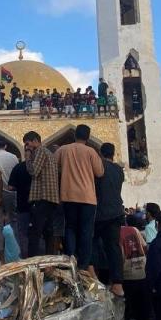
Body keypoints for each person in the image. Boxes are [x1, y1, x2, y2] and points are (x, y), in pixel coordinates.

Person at [56, 125, 104, 274]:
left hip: (68, 195)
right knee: (86, 230)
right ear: (88, 137)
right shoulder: (91, 151)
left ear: (74, 135)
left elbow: (54, 166)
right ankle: (84, 264)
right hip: (87, 197)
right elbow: (100, 172)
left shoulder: (63, 150)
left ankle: (70, 258)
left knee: (70, 228)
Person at [94, 142, 125, 297]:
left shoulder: (99, 167)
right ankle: (118, 284)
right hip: (116, 212)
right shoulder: (119, 170)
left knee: (91, 243)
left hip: (100, 212)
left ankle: (93, 278)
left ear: (100, 153)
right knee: (113, 248)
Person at [24, 131, 59, 258]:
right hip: (51, 198)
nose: (27, 148)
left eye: (27, 144)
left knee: (35, 232)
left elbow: (33, 171)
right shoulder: (49, 153)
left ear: (34, 141)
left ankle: (33, 261)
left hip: (42, 197)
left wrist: (27, 158)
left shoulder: (40, 151)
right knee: (48, 232)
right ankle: (49, 262)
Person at [0, 140, 19, 242]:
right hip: (11, 192)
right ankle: (13, 248)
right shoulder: (13, 157)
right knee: (13, 220)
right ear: (5, 146)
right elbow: (16, 172)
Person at [8, 159, 32, 259]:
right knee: (37, 232)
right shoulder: (39, 166)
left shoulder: (18, 167)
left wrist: (19, 187)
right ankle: (37, 256)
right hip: (38, 204)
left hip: (22, 203)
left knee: (23, 233)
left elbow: (10, 187)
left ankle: (25, 256)